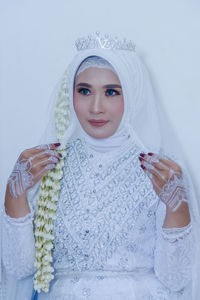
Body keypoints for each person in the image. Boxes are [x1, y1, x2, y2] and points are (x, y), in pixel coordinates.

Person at [1, 32, 199, 300]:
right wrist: (15, 195)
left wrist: (177, 209)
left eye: (111, 92)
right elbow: (20, 269)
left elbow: (174, 279)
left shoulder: (161, 170)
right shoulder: (46, 165)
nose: (96, 107)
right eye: (84, 91)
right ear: (69, 94)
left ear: (134, 93)